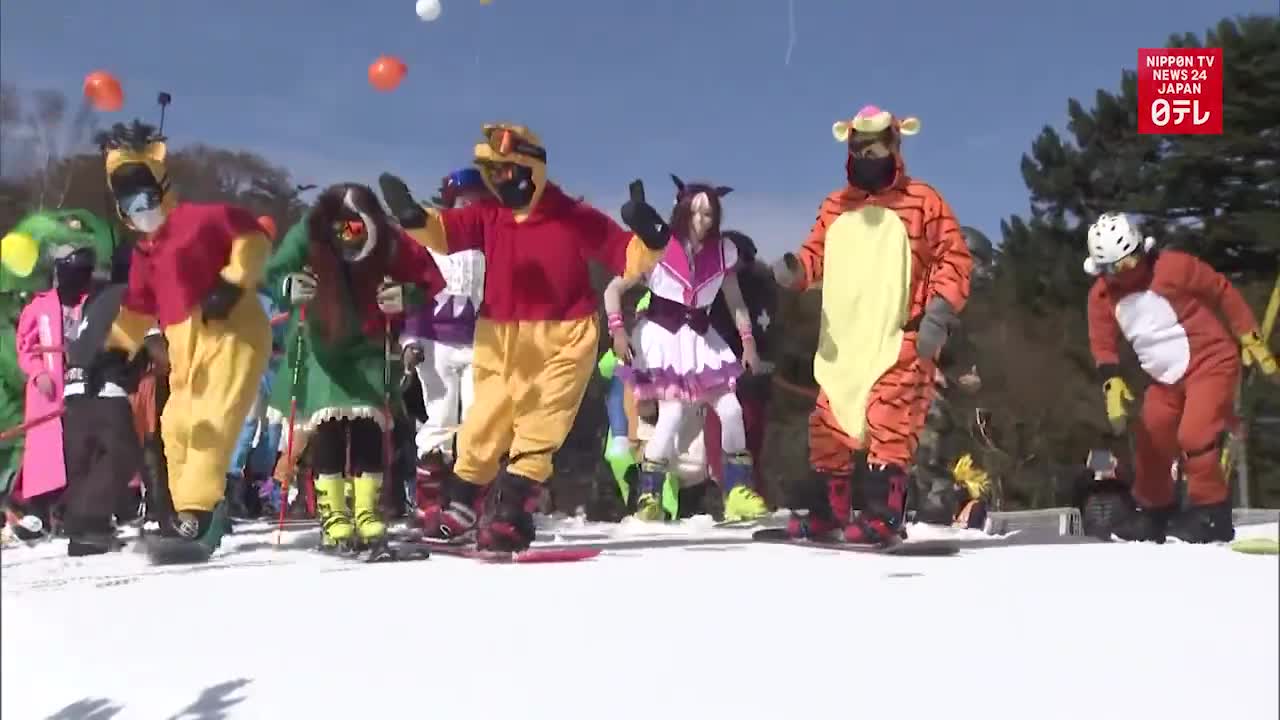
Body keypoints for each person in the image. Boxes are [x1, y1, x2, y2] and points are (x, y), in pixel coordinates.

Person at [379, 121, 667, 552]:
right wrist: (413, 218)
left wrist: (651, 237)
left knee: (541, 420)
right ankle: (459, 507)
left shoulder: (572, 215)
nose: (500, 182)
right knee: (483, 421)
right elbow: (444, 231)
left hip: (565, 335)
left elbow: (624, 254)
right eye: (492, 174)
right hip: (500, 335)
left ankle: (512, 509)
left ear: (533, 167)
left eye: (508, 171)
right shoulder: (488, 215)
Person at [773, 105, 972, 545]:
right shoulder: (835, 206)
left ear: (895, 146)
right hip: (843, 341)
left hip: (900, 334)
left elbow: (953, 258)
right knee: (828, 421)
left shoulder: (923, 201)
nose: (869, 155)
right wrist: (795, 271)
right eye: (861, 148)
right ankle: (830, 509)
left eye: (878, 146)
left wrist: (937, 313)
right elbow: (816, 254)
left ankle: (886, 510)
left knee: (889, 420)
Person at [99, 120, 273, 560]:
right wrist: (117, 351)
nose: (139, 209)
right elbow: (136, 310)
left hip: (234, 332)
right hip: (186, 346)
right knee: (177, 426)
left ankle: (196, 514)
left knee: (211, 424)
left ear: (162, 188)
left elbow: (252, 236)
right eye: (128, 202)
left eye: (144, 197)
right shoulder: (143, 255)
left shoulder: (200, 219)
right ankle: (191, 513)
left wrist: (233, 282)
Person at [267, 184, 445, 550]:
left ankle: (365, 511)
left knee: (367, 426)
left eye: (355, 234)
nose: (348, 241)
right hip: (321, 340)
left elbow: (428, 278)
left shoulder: (388, 239)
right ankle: (334, 514)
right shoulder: (310, 229)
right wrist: (289, 284)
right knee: (329, 428)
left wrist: (405, 295)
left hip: (367, 341)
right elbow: (275, 271)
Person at [1083, 211, 1278, 543]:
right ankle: (1155, 510)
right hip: (1165, 380)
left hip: (1211, 361)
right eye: (1112, 269)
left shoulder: (1172, 267)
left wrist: (1249, 334)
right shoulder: (1102, 298)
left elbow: (1221, 290)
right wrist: (1112, 380)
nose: (1124, 275)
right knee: (1152, 434)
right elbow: (1103, 343)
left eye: (1129, 264)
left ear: (1142, 251)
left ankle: (1211, 512)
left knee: (1194, 435)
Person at [606, 175, 767, 523]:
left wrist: (748, 342)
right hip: (661, 338)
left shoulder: (723, 252)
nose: (701, 221)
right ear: (681, 212)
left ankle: (738, 490)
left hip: (702, 341)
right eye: (694, 213)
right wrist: (617, 331)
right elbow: (614, 289)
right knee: (673, 415)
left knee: (731, 410)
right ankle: (649, 494)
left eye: (708, 214)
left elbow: (735, 301)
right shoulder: (659, 249)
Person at [401, 168, 489, 521]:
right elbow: (414, 291)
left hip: (477, 341)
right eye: (464, 200)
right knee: (439, 417)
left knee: (477, 421)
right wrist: (409, 339)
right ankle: (429, 503)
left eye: (476, 200)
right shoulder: (430, 239)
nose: (470, 206)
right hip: (434, 340)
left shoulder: (489, 241)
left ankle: (469, 504)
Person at [703, 230, 778, 504]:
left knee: (746, 433)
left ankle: (745, 490)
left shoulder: (759, 285)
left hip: (748, 372)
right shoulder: (717, 285)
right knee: (729, 430)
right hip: (729, 369)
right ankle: (735, 490)